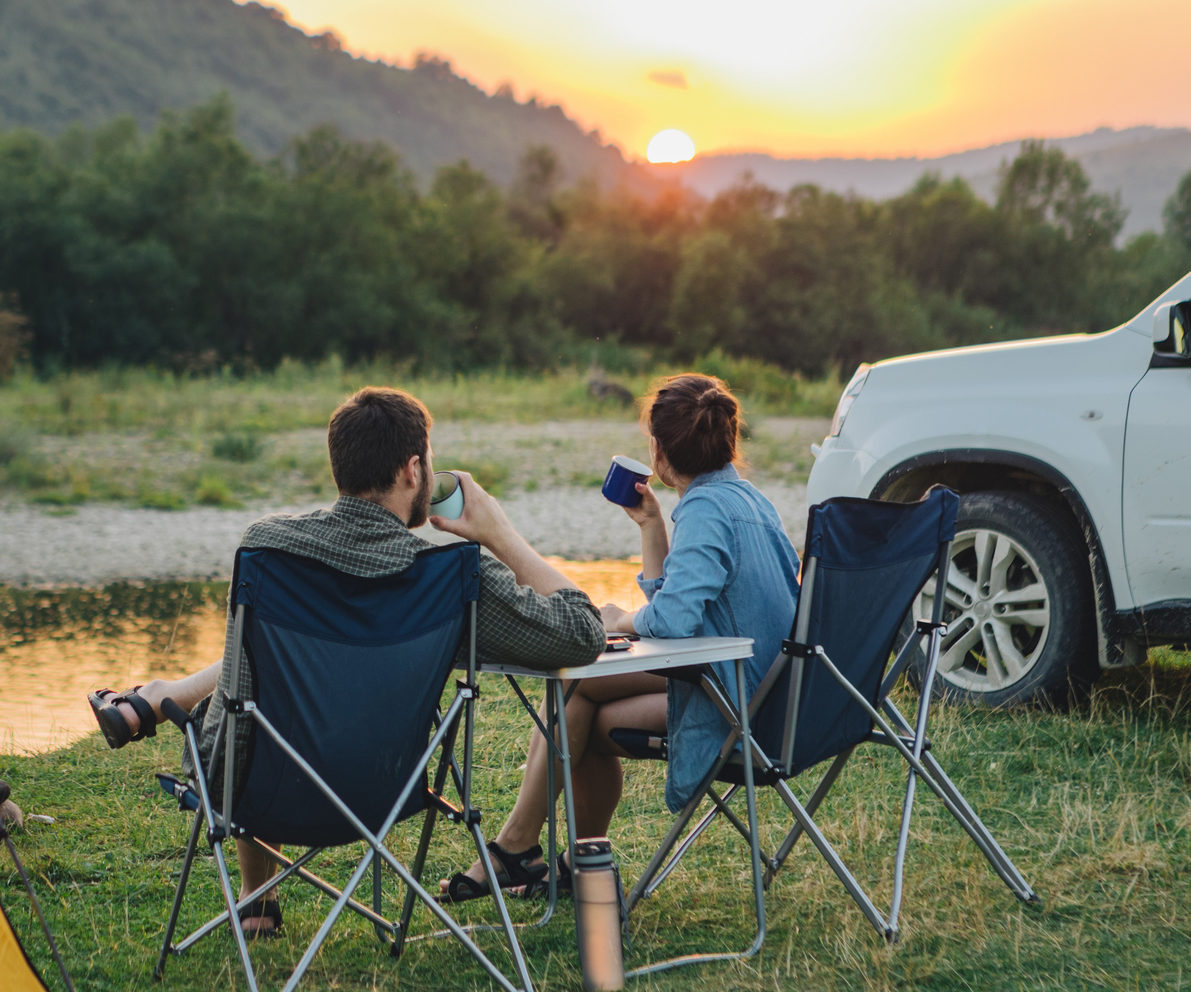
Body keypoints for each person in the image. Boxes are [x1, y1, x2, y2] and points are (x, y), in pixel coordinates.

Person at [89, 386, 603, 938]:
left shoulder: (270, 548)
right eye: (428, 464)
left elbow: (243, 687)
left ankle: (254, 894)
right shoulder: (451, 576)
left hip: (261, 790)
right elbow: (582, 633)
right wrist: (499, 533)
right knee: (255, 670)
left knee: (254, 683)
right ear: (412, 471)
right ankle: (157, 700)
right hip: (386, 789)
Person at [441, 372, 800, 897]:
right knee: (581, 696)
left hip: (736, 704)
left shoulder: (704, 510)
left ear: (656, 451)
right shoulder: (749, 501)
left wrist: (617, 620)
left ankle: (523, 851)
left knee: (580, 701)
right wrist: (652, 527)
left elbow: (671, 622)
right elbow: (681, 603)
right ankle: (555, 858)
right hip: (766, 688)